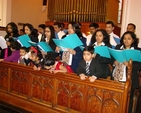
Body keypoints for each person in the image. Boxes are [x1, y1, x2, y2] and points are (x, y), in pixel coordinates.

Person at [114, 31, 141, 113]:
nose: (126, 40)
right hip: (117, 77)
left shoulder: (137, 50)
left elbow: (139, 66)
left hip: (130, 79)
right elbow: (111, 57)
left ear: (133, 40)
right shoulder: (118, 47)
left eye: (129, 39)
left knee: (128, 101)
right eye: (125, 38)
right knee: (116, 99)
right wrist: (114, 62)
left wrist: (129, 65)